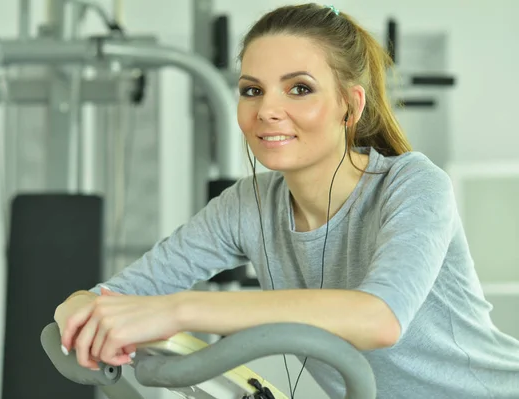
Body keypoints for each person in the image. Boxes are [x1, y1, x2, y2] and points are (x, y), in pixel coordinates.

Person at [53, 3, 519, 398]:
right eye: (252, 90)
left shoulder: (413, 184)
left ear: (350, 107)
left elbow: (379, 318)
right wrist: (76, 311)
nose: (267, 110)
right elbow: (117, 295)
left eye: (300, 88)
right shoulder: (248, 205)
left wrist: (176, 311)